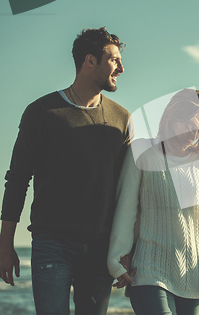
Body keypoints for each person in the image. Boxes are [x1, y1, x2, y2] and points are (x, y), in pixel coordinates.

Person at [0, 27, 131, 315]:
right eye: (114, 60)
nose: (121, 67)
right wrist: (4, 245)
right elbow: (17, 179)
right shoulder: (41, 112)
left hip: (101, 248)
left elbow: (128, 191)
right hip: (52, 244)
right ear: (90, 61)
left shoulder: (122, 120)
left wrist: (127, 249)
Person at [107, 88, 199, 315]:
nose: (193, 133)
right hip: (149, 269)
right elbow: (126, 209)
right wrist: (116, 258)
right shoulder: (142, 151)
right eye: (188, 125)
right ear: (171, 117)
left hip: (194, 277)